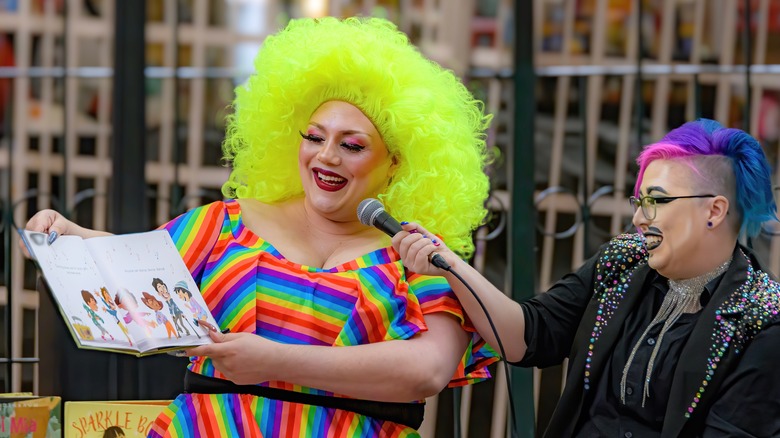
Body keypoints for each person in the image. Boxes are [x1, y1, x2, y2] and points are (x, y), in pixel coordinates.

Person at [23, 17, 497, 436]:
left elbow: (427, 371)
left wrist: (274, 360)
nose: (326, 156)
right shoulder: (229, 223)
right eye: (313, 137)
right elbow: (136, 263)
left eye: (351, 145)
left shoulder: (417, 255)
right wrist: (70, 236)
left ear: (396, 161)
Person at [394, 119, 780, 437]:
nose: (638, 219)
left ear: (714, 211)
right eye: (638, 201)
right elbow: (529, 336)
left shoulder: (763, 318)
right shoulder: (623, 261)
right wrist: (450, 264)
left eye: (656, 201)